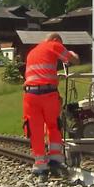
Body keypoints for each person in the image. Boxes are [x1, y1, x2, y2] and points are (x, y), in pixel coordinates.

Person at [23, 33, 80, 179]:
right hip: (48, 95)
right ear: (56, 41)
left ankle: (40, 166)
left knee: (35, 130)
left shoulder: (32, 52)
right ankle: (55, 160)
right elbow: (74, 60)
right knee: (53, 125)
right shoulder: (54, 45)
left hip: (30, 96)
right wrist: (72, 53)